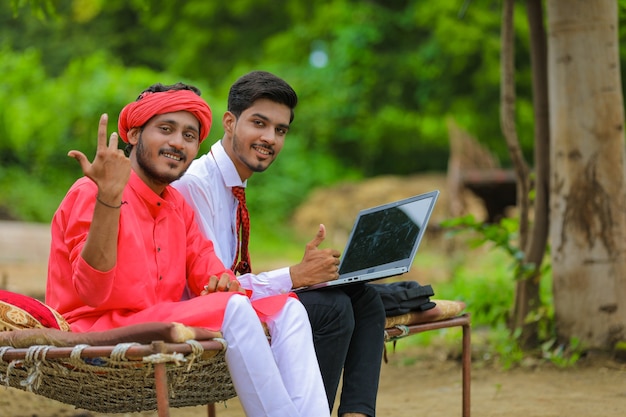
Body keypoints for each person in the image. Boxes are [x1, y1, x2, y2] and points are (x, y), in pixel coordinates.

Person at [45, 82, 330, 417]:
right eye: (166, 130)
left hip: (156, 319)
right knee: (235, 310)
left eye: (189, 136)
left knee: (289, 310)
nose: (177, 143)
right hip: (94, 329)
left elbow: (208, 268)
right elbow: (92, 292)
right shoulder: (91, 191)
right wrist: (109, 199)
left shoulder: (177, 204)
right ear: (134, 134)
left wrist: (223, 281)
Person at [173, 71, 386, 417]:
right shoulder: (196, 186)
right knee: (332, 309)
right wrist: (295, 275)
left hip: (232, 301)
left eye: (280, 130)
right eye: (259, 123)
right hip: (205, 309)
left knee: (363, 296)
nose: (269, 138)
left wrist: (308, 274)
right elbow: (212, 287)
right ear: (229, 122)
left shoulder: (234, 184)